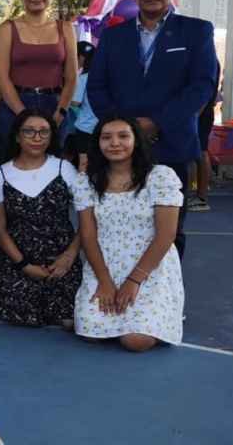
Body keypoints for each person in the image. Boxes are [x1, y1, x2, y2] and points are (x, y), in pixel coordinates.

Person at [87, 0, 218, 260]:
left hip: (171, 146)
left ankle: (167, 290)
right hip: (120, 150)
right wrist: (125, 130)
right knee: (118, 228)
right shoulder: (113, 36)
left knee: (170, 233)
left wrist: (157, 123)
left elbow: (202, 86)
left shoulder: (197, 31)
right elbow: (96, 87)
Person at [72, 117, 184, 352]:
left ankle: (161, 313)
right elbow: (88, 236)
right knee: (90, 331)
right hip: (105, 265)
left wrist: (133, 281)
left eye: (123, 136)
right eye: (106, 137)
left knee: (135, 341)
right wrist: (104, 281)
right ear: (98, 143)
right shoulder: (86, 181)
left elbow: (166, 235)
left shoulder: (159, 177)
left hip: (149, 267)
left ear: (137, 140)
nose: (114, 143)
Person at [0, 110, 81, 327]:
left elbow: (88, 220)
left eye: (43, 132)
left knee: (70, 321)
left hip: (61, 263)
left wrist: (68, 257)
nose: (37, 137)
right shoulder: (0, 174)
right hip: (18, 263)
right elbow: (0, 230)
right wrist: (25, 265)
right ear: (17, 136)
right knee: (22, 318)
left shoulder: (65, 169)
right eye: (29, 131)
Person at [0, 0, 79, 153]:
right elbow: (1, 76)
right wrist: (23, 115)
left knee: (53, 164)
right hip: (14, 106)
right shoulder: (7, 28)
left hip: (54, 107)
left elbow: (72, 77)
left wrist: (60, 113)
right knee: (10, 163)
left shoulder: (66, 28)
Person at [64, 42, 99, 172]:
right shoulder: (104, 75)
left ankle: (81, 185)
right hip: (100, 125)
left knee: (84, 164)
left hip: (85, 127)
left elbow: (75, 102)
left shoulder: (84, 77)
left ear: (81, 57)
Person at [189, 69, 221, 210]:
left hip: (200, 113)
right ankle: (197, 194)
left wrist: (194, 116)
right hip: (197, 111)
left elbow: (205, 91)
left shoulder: (208, 61)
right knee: (197, 152)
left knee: (201, 152)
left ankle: (201, 198)